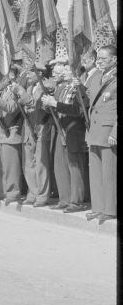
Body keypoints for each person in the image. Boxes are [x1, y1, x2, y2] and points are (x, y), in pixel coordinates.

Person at [41, 58, 89, 213]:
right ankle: (66, 198)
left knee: (75, 168)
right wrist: (48, 105)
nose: (64, 72)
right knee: (62, 166)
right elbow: (57, 109)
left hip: (75, 130)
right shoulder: (63, 87)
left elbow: (78, 111)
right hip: (62, 129)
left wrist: (55, 104)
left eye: (67, 70)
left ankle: (77, 201)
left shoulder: (79, 88)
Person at [83, 44, 117, 224]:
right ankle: (97, 207)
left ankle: (110, 209)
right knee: (95, 172)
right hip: (95, 131)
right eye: (99, 58)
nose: (100, 62)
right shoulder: (98, 78)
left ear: (114, 59)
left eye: (104, 58)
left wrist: (115, 132)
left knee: (109, 173)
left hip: (108, 132)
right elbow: (90, 101)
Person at [0, 65, 24, 205]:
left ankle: (13, 193)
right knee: (1, 165)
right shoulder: (5, 89)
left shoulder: (16, 89)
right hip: (1, 130)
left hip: (11, 131)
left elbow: (12, 108)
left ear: (14, 75)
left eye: (8, 74)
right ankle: (3, 190)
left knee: (11, 166)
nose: (4, 77)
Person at [15, 66, 53, 208]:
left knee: (40, 163)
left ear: (40, 73)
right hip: (29, 125)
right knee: (28, 161)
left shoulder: (46, 85)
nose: (28, 74)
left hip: (41, 125)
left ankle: (42, 195)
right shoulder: (29, 86)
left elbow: (34, 103)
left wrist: (21, 92)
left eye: (31, 72)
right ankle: (33, 192)